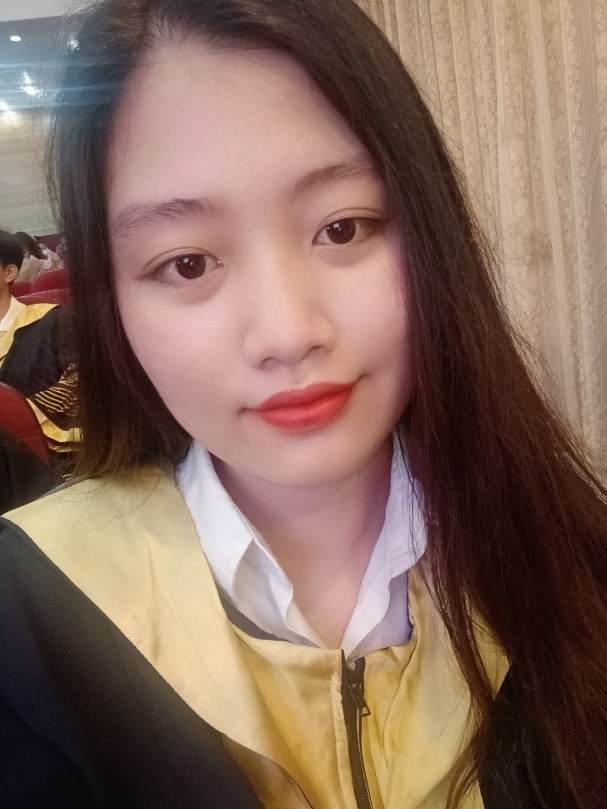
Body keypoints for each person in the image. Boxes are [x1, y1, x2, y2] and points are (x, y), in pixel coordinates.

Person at [0, 0, 605, 807]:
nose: (287, 333)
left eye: (343, 228)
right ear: (113, 300)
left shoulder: (568, 559)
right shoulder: (31, 625)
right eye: (186, 264)